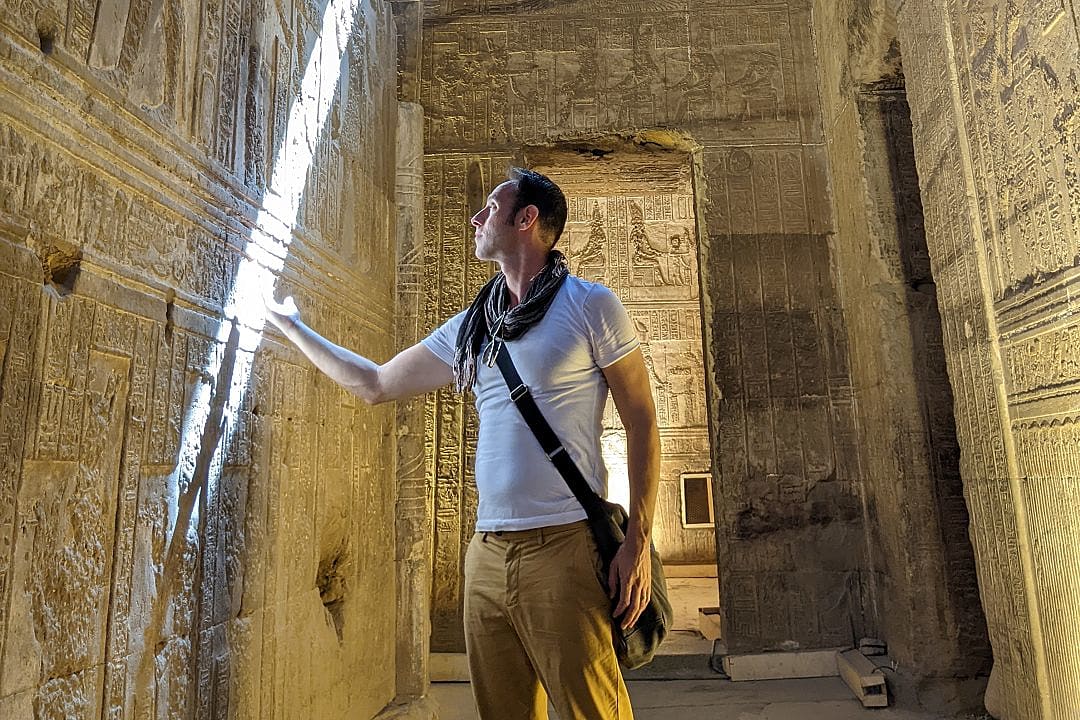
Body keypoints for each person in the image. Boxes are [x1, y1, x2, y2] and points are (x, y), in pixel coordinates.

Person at [265, 167, 660, 720]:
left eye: (490, 209)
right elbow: (376, 384)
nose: (476, 219)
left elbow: (642, 420)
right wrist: (291, 327)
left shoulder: (589, 306)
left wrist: (637, 541)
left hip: (564, 546)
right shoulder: (473, 327)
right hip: (488, 552)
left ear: (526, 220)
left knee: (594, 712)